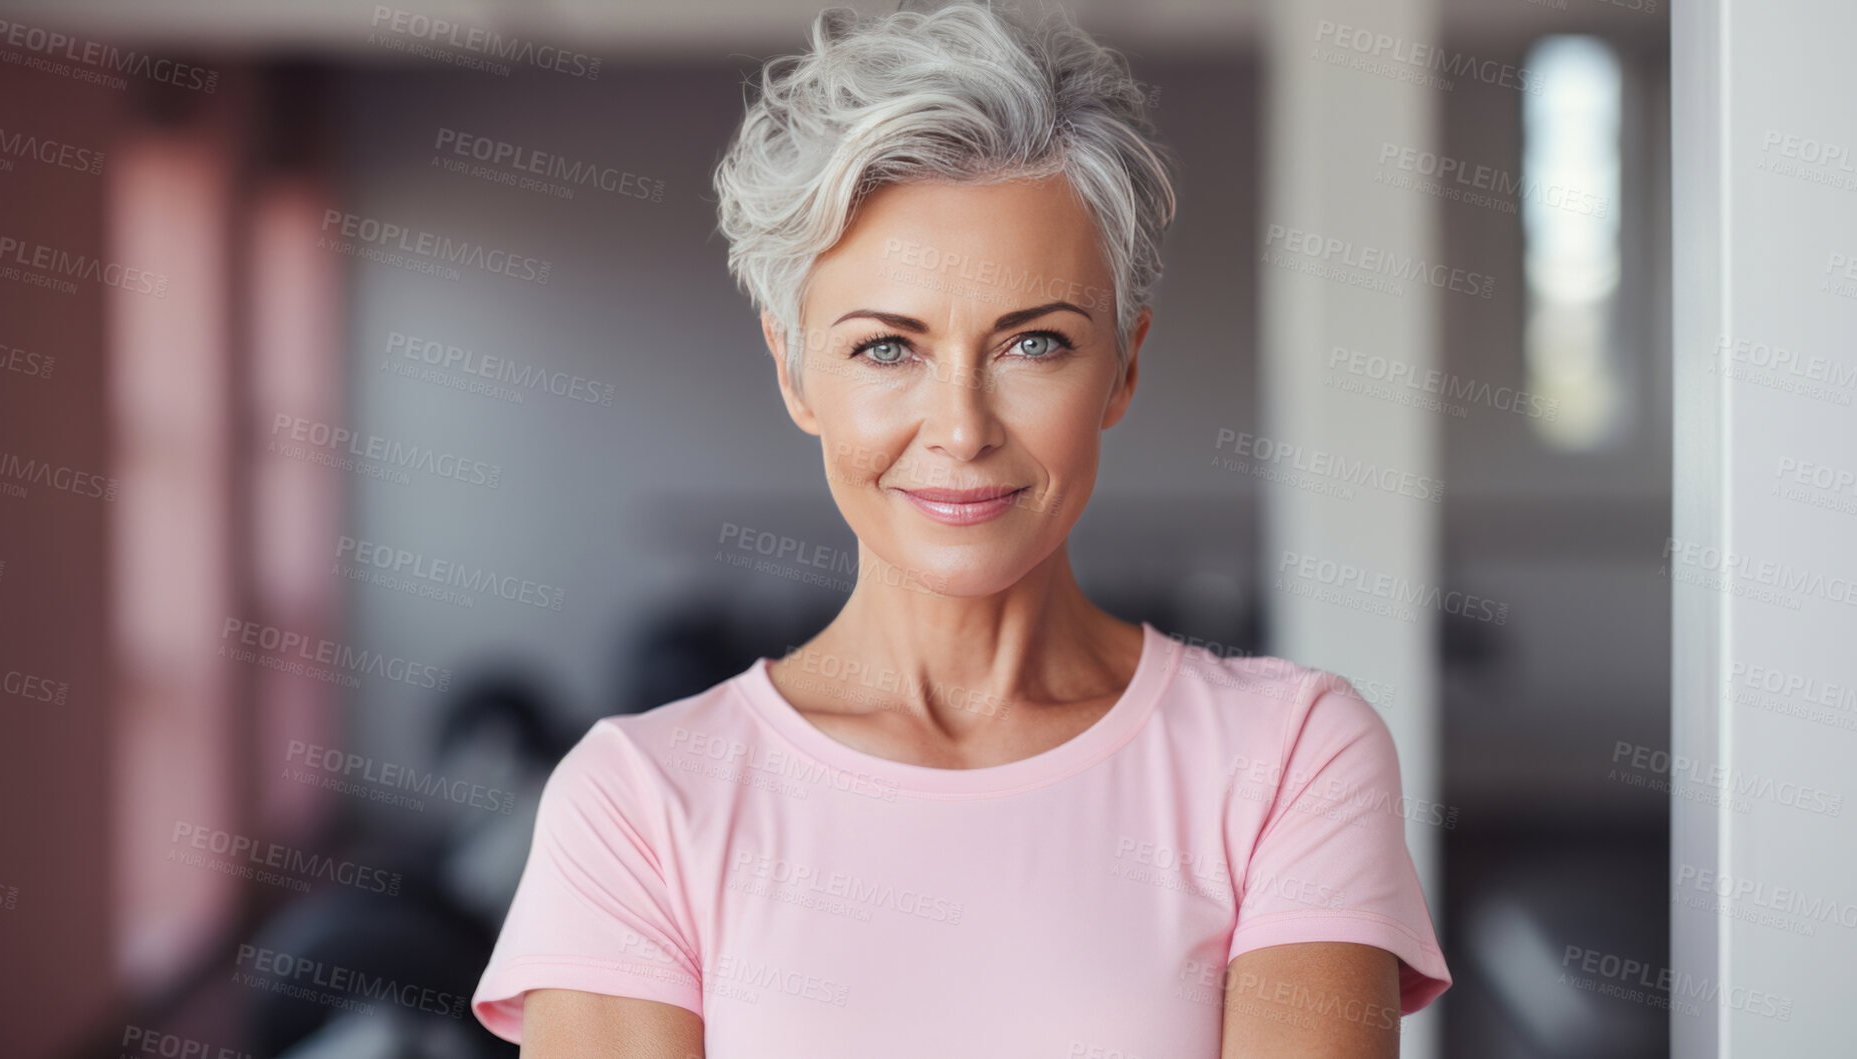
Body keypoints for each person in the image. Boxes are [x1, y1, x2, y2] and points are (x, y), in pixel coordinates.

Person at [470, 3, 1451, 1056]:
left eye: (1031, 343)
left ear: (1122, 365)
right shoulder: (638, 805)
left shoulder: (1287, 759)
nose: (960, 429)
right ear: (794, 370)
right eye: (887, 350)